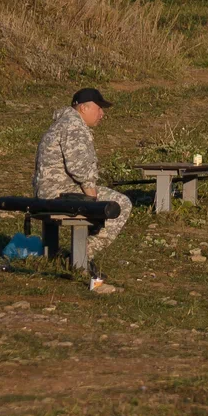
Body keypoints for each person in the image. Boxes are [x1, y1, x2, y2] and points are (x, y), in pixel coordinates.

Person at [33, 87, 132, 291]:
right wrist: (93, 202)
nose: (102, 114)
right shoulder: (73, 126)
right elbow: (80, 168)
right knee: (121, 204)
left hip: (48, 192)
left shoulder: (63, 123)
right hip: (61, 193)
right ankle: (82, 255)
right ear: (84, 108)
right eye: (99, 108)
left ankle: (71, 256)